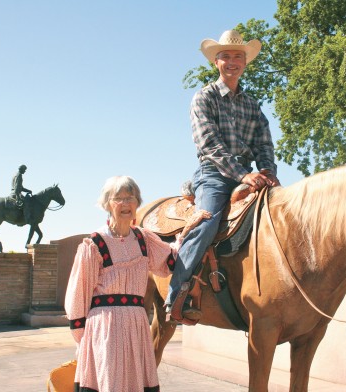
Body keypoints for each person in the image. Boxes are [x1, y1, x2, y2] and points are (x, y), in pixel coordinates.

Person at [165, 30, 280, 320]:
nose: (232, 61)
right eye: (226, 56)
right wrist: (243, 175)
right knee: (206, 222)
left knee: (280, 215)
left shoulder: (252, 105)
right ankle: (176, 292)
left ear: (245, 62)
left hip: (248, 174)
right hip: (214, 173)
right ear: (216, 62)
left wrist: (267, 170)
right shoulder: (204, 98)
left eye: (237, 56)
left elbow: (263, 143)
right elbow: (209, 144)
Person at [65, 176, 178, 391]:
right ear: (107, 204)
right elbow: (78, 296)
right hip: (105, 330)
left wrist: (192, 233)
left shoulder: (145, 240)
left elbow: (171, 260)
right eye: (119, 198)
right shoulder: (95, 244)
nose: (126, 204)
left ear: (137, 203)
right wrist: (83, 341)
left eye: (131, 198)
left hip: (137, 326)